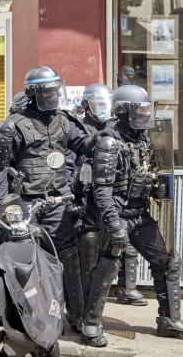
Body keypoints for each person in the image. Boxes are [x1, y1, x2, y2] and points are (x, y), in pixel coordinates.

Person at [80, 85, 183, 347]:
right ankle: (89, 324)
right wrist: (112, 223)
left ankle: (168, 320)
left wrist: (157, 187)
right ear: (123, 111)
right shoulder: (109, 142)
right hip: (117, 215)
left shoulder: (142, 140)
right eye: (140, 109)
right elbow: (102, 190)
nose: (145, 113)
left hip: (139, 214)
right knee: (108, 266)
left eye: (147, 108)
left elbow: (142, 174)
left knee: (166, 262)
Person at [0, 66, 98, 332]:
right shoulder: (15, 125)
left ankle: (77, 315)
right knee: (23, 262)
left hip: (57, 201)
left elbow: (86, 145)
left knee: (69, 257)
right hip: (26, 202)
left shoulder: (64, 121)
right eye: (47, 90)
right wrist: (1, 206)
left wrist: (106, 142)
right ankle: (21, 318)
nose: (53, 95)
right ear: (34, 93)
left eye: (55, 89)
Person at [67, 83, 148, 307]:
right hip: (86, 198)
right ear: (88, 105)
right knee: (89, 248)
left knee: (122, 241)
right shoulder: (80, 129)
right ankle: (84, 305)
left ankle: (126, 288)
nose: (103, 109)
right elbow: (68, 166)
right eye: (99, 103)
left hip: (113, 195)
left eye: (107, 104)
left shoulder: (116, 127)